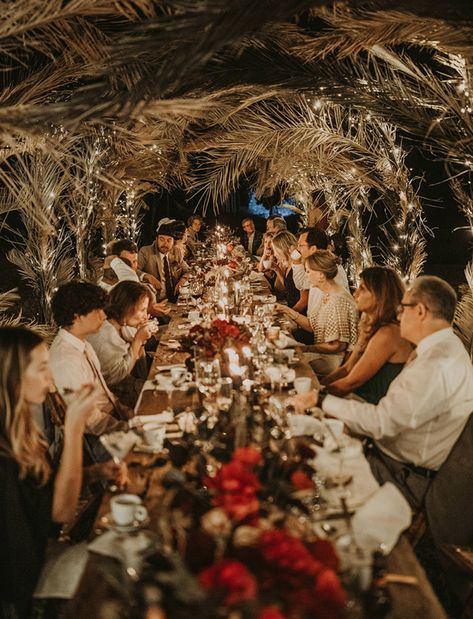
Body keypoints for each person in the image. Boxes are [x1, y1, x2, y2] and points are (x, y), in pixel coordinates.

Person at [291, 275, 473, 509]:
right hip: (390, 459)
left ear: (419, 311)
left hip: (397, 474)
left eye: (403, 308)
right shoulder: (447, 347)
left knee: (301, 477)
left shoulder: (436, 363)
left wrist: (321, 400)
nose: (398, 315)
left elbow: (381, 422)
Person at [0, 326, 100, 617]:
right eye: (42, 368)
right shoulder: (4, 456)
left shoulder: (20, 430)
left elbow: (42, 493)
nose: (50, 377)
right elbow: (61, 512)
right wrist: (73, 430)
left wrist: (95, 473)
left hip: (42, 555)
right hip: (25, 589)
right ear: (13, 378)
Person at [49, 281, 133, 435]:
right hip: (93, 439)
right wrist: (127, 429)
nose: (104, 315)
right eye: (97, 310)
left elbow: (104, 392)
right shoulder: (65, 361)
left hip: (112, 420)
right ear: (78, 316)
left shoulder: (83, 344)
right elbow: (89, 421)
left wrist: (128, 414)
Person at [321, 267, 413, 404]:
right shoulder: (370, 326)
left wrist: (317, 396)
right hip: (358, 397)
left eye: (362, 289)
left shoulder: (389, 333)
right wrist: (318, 385)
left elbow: (352, 382)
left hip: (375, 406)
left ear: (380, 295)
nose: (356, 293)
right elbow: (347, 368)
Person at [279, 251, 358, 375]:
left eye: (308, 271)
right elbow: (312, 326)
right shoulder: (327, 293)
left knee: (285, 365)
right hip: (323, 355)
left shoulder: (338, 301)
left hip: (335, 362)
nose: (306, 276)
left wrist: (306, 348)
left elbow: (337, 345)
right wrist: (286, 310)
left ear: (321, 275)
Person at [88, 281, 155, 406]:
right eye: (142, 310)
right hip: (111, 398)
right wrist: (138, 340)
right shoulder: (105, 332)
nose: (146, 316)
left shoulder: (119, 324)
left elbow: (141, 370)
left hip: (127, 386)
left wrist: (140, 339)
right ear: (127, 307)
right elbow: (117, 377)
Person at [292, 227, 349, 315]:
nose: (297, 249)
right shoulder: (315, 266)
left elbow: (316, 324)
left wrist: (290, 314)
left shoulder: (327, 269)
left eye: (300, 245)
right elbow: (302, 284)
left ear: (313, 249)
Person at [138, 220, 189, 302]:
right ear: (156, 239)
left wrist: (182, 280)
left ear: (173, 242)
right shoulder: (146, 252)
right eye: (162, 239)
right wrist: (147, 276)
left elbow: (187, 270)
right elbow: (133, 271)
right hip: (154, 301)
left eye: (169, 240)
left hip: (174, 299)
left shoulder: (175, 252)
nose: (165, 243)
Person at [271, 230, 308, 311]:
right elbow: (288, 287)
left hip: (298, 313)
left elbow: (304, 301)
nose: (275, 254)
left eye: (275, 250)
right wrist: (277, 270)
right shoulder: (289, 264)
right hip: (290, 307)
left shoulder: (299, 265)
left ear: (283, 249)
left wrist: (289, 314)